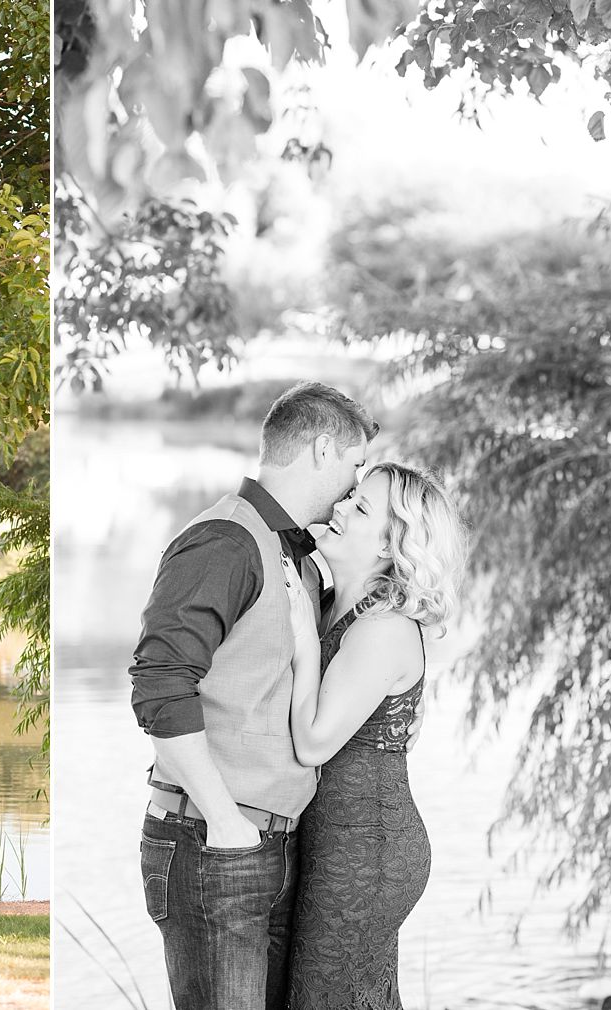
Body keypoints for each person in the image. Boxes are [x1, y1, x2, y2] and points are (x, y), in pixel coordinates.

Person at [130, 381, 387, 1010]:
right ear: (324, 449)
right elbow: (160, 682)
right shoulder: (227, 540)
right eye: (356, 466)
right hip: (215, 844)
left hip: (269, 844)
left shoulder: (297, 555)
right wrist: (224, 820)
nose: (358, 485)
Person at [285, 462, 467, 1009]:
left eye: (359, 508)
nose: (339, 509)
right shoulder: (329, 602)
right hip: (339, 843)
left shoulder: (382, 627)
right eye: (348, 498)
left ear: (392, 544)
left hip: (368, 851)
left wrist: (305, 644)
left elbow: (314, 742)